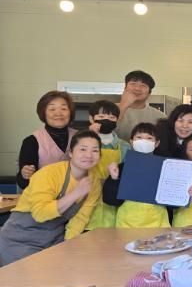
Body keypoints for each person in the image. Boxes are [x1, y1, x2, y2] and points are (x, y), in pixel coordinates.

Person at [0, 131, 102, 266]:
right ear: (71, 153)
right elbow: (40, 213)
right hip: (20, 239)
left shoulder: (93, 182)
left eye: (95, 150)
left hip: (54, 240)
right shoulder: (48, 174)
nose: (89, 155)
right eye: (83, 149)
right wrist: (75, 194)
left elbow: (80, 219)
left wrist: (68, 245)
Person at [103, 123, 170, 228]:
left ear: (157, 143)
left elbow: (172, 202)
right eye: (139, 137)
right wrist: (114, 178)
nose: (144, 141)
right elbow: (110, 200)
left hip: (158, 224)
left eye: (149, 138)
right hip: (127, 225)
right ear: (131, 141)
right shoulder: (121, 168)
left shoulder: (165, 169)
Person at [85, 100, 131, 230]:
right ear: (91, 119)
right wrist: (91, 136)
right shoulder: (82, 142)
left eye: (111, 118)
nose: (106, 120)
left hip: (114, 204)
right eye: (101, 116)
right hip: (88, 199)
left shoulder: (125, 146)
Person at [17, 91, 77, 189]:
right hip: (44, 195)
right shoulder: (32, 141)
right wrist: (25, 174)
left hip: (76, 194)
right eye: (52, 109)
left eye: (64, 108)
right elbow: (22, 183)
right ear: (43, 113)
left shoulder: (80, 137)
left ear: (70, 112)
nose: (58, 113)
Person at [115, 70, 166, 139]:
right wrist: (123, 105)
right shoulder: (106, 109)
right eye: (133, 84)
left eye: (143, 86)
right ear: (125, 88)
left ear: (149, 93)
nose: (137, 88)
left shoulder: (160, 117)